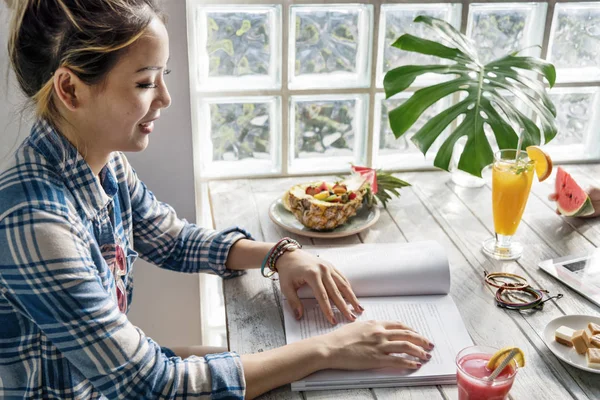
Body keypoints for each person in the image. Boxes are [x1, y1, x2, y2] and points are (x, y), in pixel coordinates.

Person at [0, 1, 434, 399]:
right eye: (145, 82)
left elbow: (172, 240)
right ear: (71, 90)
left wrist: (280, 254)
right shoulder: (36, 222)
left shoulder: (99, 162)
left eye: (162, 77)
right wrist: (327, 347)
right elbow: (153, 387)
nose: (165, 99)